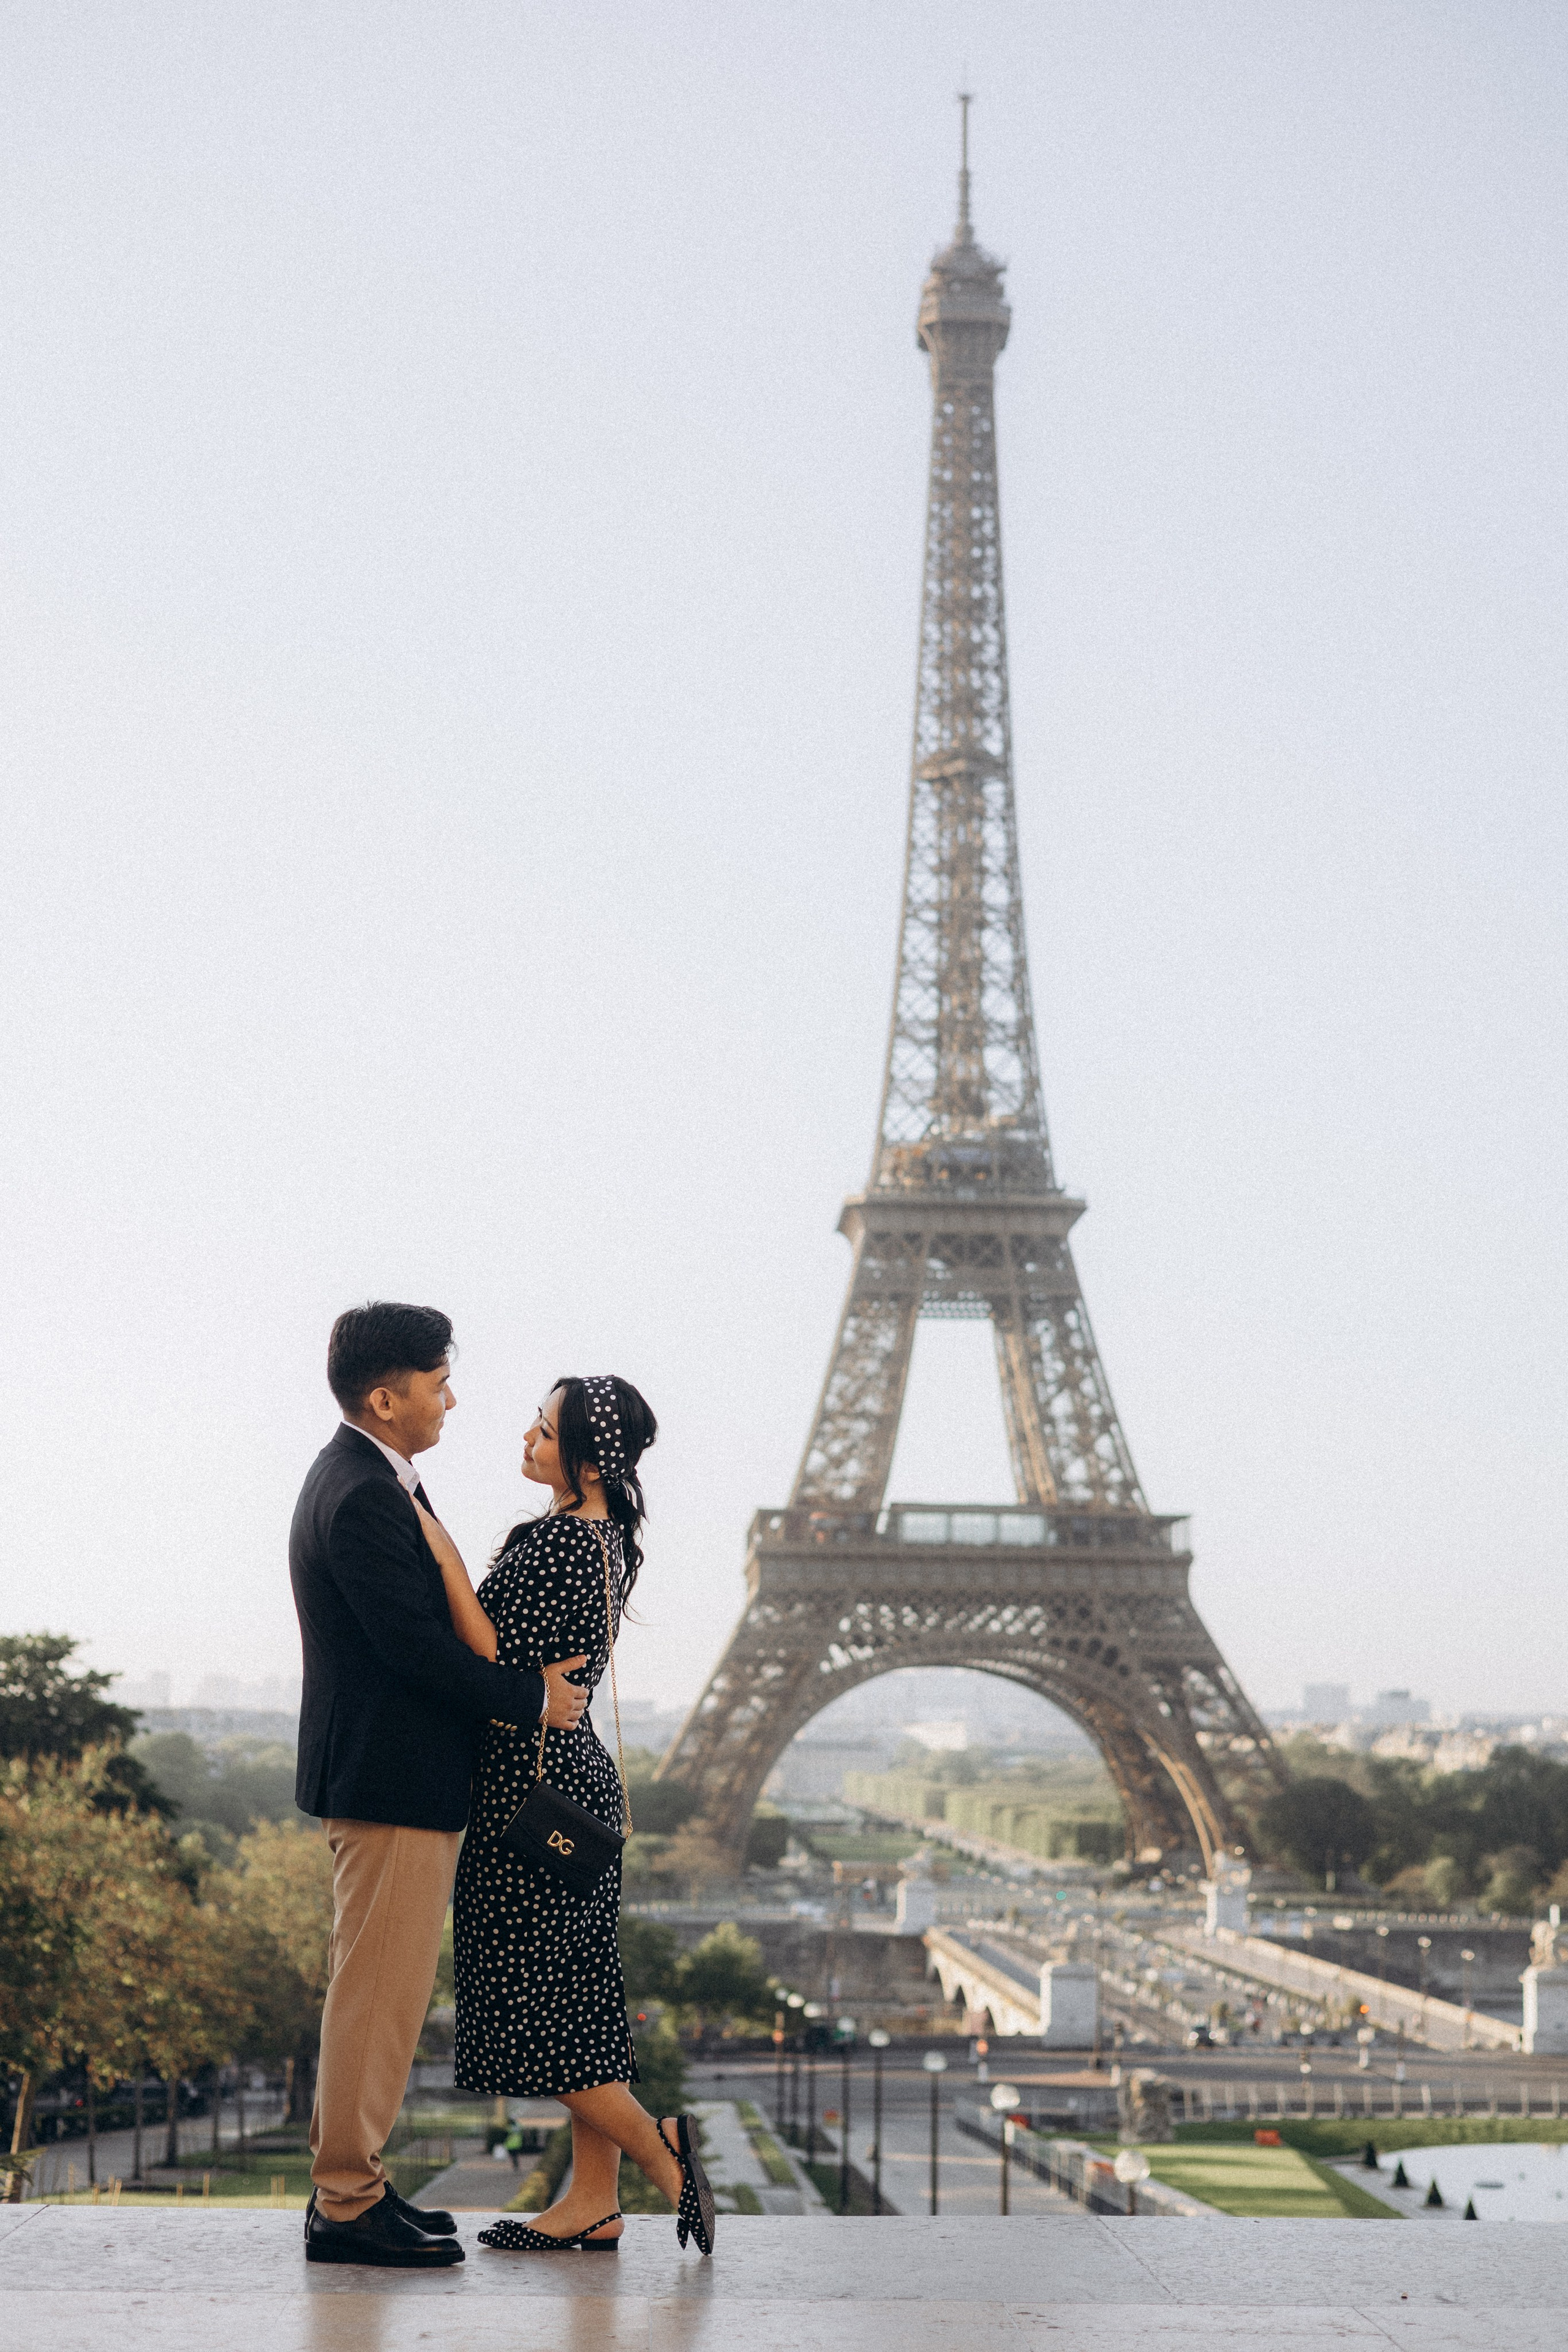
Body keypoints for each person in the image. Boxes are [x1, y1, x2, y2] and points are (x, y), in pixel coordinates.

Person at [288, 1302, 591, 2269]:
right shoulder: (368, 1493)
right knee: (377, 1999)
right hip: (391, 1782)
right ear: (386, 1398)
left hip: (393, 1778)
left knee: (382, 1996)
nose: (452, 1397)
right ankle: (345, 2206)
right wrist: (532, 1699)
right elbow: (413, 1653)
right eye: (436, 1381)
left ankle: (358, 2189)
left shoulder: (370, 1479)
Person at [415, 1373, 716, 2256]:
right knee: (579, 2007)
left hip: (528, 1802)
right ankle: (591, 2200)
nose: (526, 1438)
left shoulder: (559, 1547)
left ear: (587, 1459)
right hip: (573, 1793)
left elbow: (488, 1652)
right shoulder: (605, 1538)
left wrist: (442, 1557)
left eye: (543, 1431)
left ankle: (666, 2163)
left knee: (535, 2012)